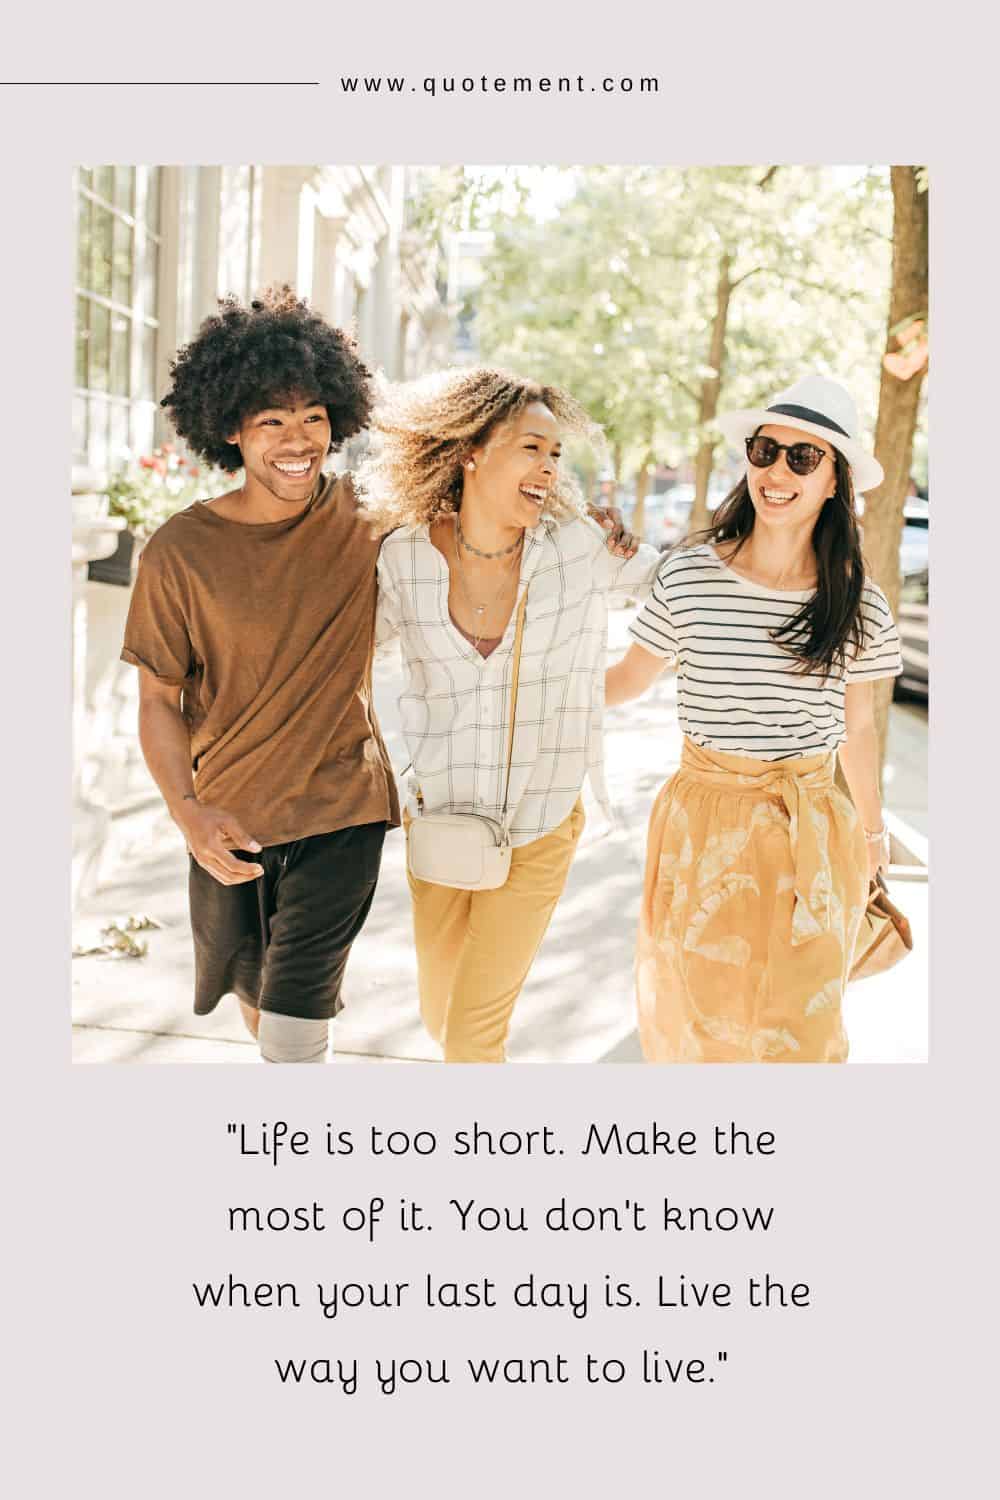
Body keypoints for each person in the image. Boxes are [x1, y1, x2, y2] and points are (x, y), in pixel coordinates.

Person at [120, 286, 400, 1064]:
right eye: (271, 420)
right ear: (232, 430)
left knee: (291, 1033)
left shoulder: (368, 516)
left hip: (342, 806)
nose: (296, 438)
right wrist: (188, 813)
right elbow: (157, 699)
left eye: (313, 416)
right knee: (256, 1003)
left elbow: (485, 513)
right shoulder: (180, 551)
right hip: (229, 821)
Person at [358, 366, 661, 1063]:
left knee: (472, 1038)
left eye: (556, 455)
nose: (550, 468)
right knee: (441, 1016)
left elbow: (679, 590)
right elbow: (345, 657)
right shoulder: (403, 557)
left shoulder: (580, 550)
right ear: (472, 450)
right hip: (442, 820)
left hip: (542, 817)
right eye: (532, 448)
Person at [606, 375, 904, 1064]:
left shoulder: (860, 605)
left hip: (811, 831)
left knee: (801, 1034)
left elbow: (858, 729)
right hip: (700, 826)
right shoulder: (689, 576)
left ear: (835, 482)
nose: (777, 471)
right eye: (766, 450)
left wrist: (873, 833)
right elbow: (626, 680)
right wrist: (528, 692)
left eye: (804, 458)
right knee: (697, 1029)